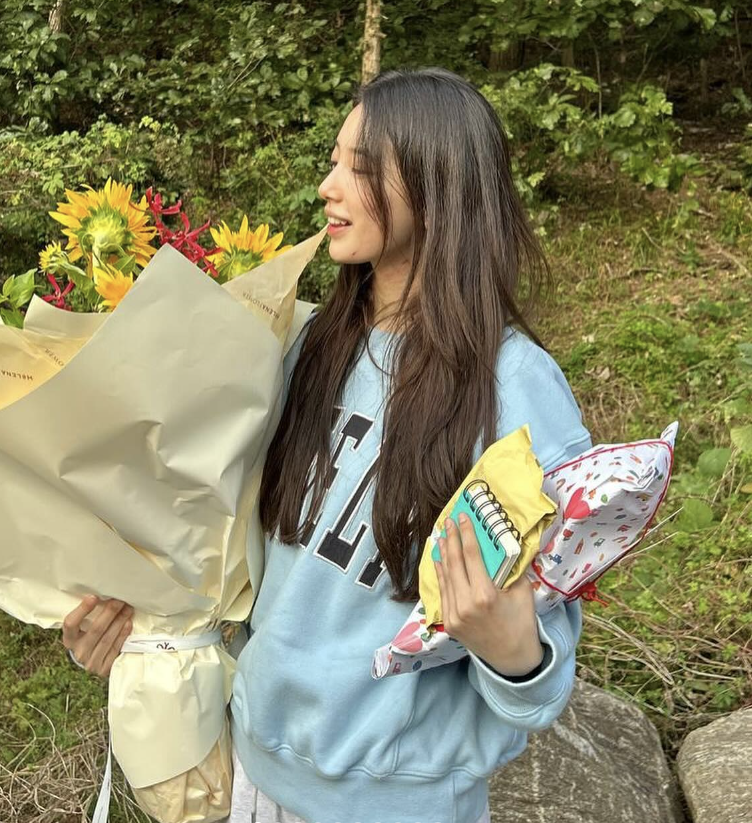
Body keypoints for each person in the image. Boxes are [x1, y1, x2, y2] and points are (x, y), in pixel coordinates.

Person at [62, 68, 592, 823]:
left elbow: (543, 680)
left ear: (441, 185)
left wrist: (513, 647)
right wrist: (133, 620)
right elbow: (222, 553)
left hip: (397, 805)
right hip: (250, 773)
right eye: (334, 160)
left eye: (360, 168)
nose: (327, 186)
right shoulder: (304, 344)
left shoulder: (518, 392)